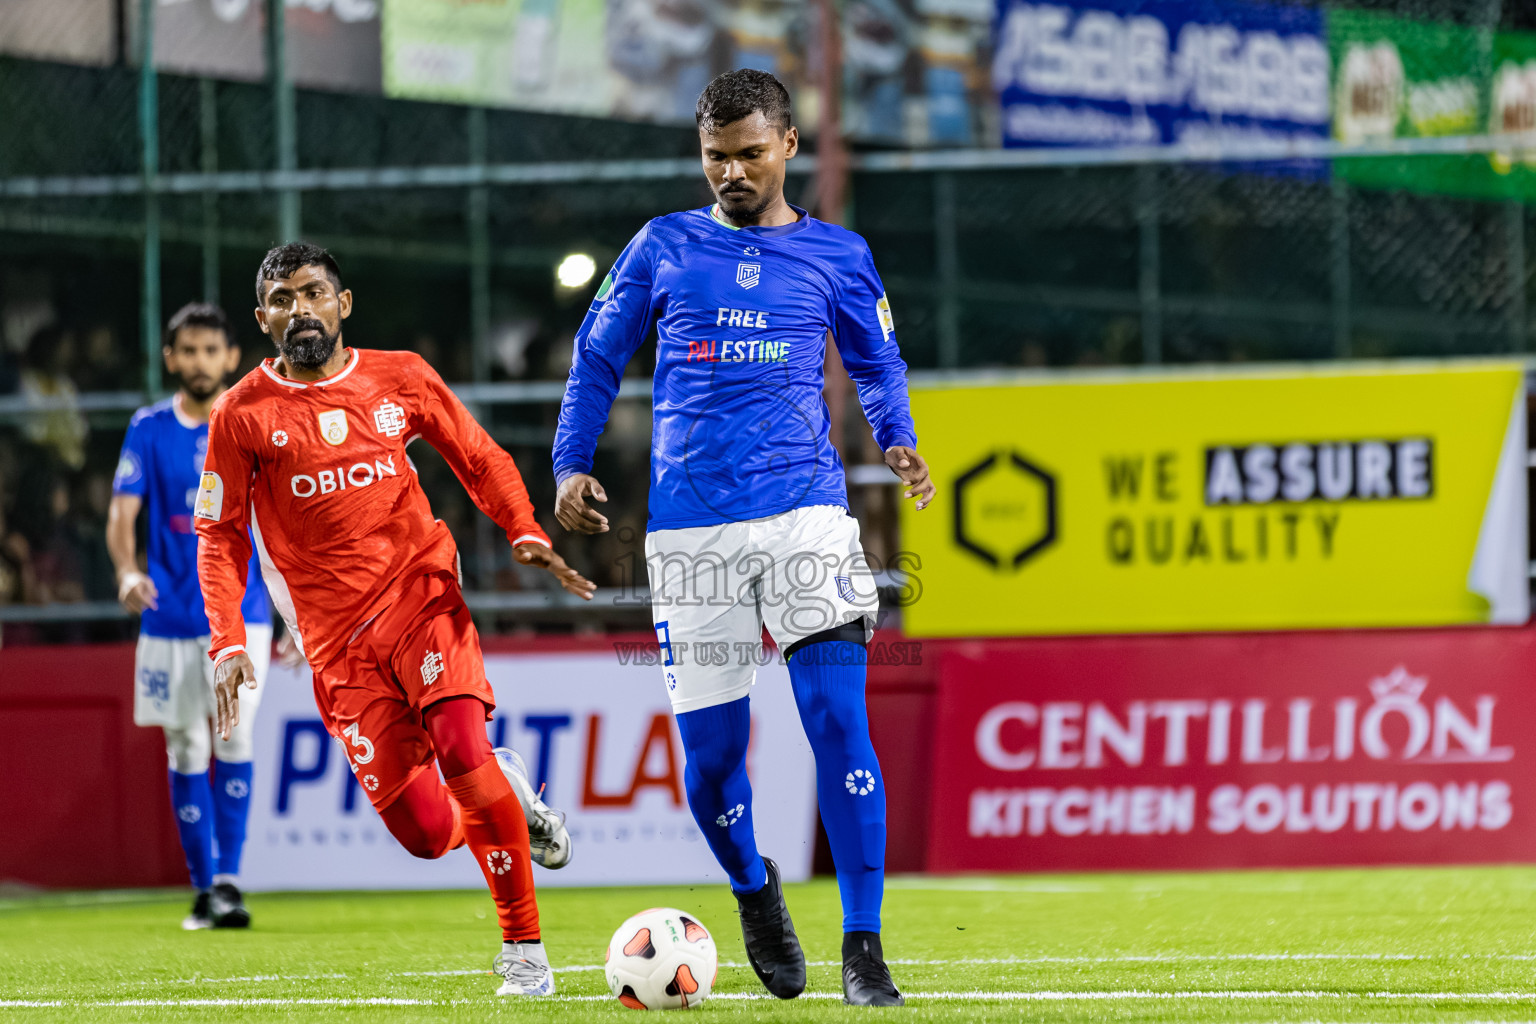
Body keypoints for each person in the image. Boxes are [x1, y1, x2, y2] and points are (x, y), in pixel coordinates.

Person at [551, 68, 935, 1007]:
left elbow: (878, 362)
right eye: (716, 156)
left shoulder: (841, 255)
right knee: (717, 759)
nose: (731, 171)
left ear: (789, 147)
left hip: (807, 516)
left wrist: (898, 438)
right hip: (692, 538)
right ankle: (754, 892)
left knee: (838, 718)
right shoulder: (661, 247)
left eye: (750, 153)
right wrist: (569, 463)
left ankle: (864, 949)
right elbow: (596, 357)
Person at [196, 243, 592, 998]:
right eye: (282, 299)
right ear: (262, 319)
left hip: (421, 595)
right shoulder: (242, 414)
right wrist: (224, 641)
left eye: (313, 293)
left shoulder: (400, 375)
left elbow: (478, 456)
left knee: (460, 746)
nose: (299, 309)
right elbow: (218, 535)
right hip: (336, 647)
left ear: (344, 305)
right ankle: (509, 783)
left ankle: (525, 955)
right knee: (425, 834)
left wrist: (524, 529)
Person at [106, 303, 274, 929]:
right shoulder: (147, 429)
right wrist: (127, 571)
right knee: (185, 745)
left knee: (233, 736)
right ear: (171, 358)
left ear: (231, 357)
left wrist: (291, 609)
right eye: (189, 351)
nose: (201, 362)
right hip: (169, 616)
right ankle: (204, 889)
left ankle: (228, 882)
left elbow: (276, 524)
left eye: (212, 350)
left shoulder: (254, 422)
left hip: (243, 612)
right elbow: (122, 516)